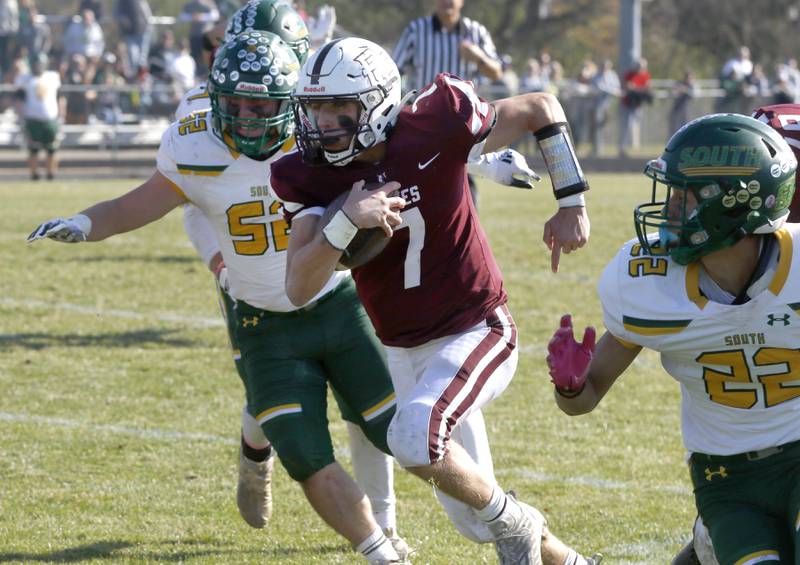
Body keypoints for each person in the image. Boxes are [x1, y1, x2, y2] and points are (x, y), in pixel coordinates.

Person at [27, 30, 414, 565]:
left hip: (338, 303)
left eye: (262, 104)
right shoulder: (195, 146)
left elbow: (414, 150)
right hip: (264, 323)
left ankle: (465, 515)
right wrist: (83, 222)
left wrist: (482, 157)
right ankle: (376, 551)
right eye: (235, 103)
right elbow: (133, 205)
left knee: (394, 426)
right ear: (215, 98)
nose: (249, 116)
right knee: (305, 452)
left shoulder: (321, 137)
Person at [271, 37, 595, 565]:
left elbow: (541, 107)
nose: (323, 123)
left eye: (338, 108)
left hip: (477, 326)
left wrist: (571, 199)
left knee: (413, 436)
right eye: (315, 109)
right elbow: (299, 286)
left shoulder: (438, 119)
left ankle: (514, 523)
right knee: (472, 515)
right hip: (404, 349)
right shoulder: (307, 173)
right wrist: (344, 223)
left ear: (377, 103)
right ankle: (563, 554)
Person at [547, 113, 800, 565]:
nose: (668, 210)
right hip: (727, 478)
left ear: (734, 206)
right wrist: (569, 385)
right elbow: (583, 400)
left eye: (685, 196)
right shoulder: (649, 286)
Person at [392, 0, 503, 209]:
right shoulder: (416, 31)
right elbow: (393, 71)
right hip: (422, 123)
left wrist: (478, 58)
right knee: (419, 182)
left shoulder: (475, 31)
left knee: (462, 185)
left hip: (463, 124)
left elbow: (496, 71)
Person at [14, 53, 63, 180]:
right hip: (33, 119)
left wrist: (62, 114)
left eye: (40, 64)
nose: (38, 67)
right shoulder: (25, 79)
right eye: (36, 64)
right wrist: (20, 118)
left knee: (52, 149)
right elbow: (19, 100)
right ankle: (34, 175)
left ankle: (51, 174)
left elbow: (60, 98)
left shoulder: (52, 77)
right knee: (33, 149)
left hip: (50, 119)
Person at [618, 57, 651, 157]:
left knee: (637, 125)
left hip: (638, 105)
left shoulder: (645, 75)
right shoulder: (629, 74)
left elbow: (647, 87)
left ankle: (636, 148)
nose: (639, 68)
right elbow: (628, 86)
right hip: (628, 105)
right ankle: (622, 149)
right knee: (627, 126)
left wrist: (637, 88)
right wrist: (637, 88)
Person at [114, 0, 153, 75]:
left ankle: (142, 78)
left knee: (142, 59)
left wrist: (149, 27)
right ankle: (135, 77)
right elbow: (116, 14)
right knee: (133, 56)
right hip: (130, 33)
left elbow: (147, 13)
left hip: (143, 30)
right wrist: (123, 19)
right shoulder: (121, 2)